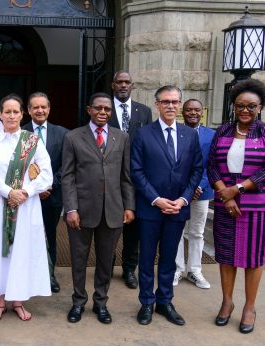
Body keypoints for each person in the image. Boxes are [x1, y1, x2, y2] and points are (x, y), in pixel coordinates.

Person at [207, 79, 265, 334]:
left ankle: (249, 307)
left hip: (258, 207)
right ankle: (227, 302)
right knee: (226, 256)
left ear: (260, 107)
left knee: (253, 258)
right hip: (225, 204)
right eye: (240, 105)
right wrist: (226, 196)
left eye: (251, 106)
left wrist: (237, 189)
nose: (245, 110)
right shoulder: (223, 131)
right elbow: (212, 166)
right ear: (234, 106)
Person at [0, 94, 53, 322]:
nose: (11, 115)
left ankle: (18, 300)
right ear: (0, 114)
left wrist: (25, 192)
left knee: (21, 251)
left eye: (15, 111)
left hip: (26, 207)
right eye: (6, 111)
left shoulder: (32, 141)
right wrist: (9, 192)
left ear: (22, 114)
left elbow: (46, 174)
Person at [131, 85, 203, 326]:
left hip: (178, 208)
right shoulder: (143, 134)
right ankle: (146, 303)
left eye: (174, 102)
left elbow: (196, 170)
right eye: (165, 102)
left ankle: (164, 301)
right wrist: (156, 199)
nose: (170, 106)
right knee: (147, 257)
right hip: (151, 208)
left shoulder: (190, 135)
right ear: (157, 105)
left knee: (169, 258)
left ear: (179, 105)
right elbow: (137, 171)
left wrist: (183, 199)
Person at [62, 92, 135, 324]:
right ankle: (78, 301)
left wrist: (129, 206)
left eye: (107, 109)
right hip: (81, 211)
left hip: (112, 210)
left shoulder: (121, 138)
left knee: (105, 260)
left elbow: (126, 177)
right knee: (78, 259)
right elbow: (68, 176)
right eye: (99, 108)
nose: (103, 112)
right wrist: (71, 208)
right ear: (89, 110)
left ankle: (101, 302)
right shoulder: (73, 137)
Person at [108, 70, 152, 289]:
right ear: (113, 85)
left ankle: (128, 269)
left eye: (127, 82)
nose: (123, 85)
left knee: (133, 227)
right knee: (109, 225)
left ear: (132, 86)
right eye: (119, 82)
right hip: (109, 176)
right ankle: (107, 266)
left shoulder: (144, 112)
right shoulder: (103, 108)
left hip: (135, 177)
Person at [21, 92, 68, 293]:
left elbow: (66, 166)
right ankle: (25, 276)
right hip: (28, 196)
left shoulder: (62, 133)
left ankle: (49, 275)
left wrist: (48, 186)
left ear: (49, 109)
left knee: (49, 236)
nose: (40, 110)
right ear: (29, 110)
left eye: (44, 107)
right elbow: (18, 168)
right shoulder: (21, 133)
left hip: (52, 195)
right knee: (26, 236)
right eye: (35, 107)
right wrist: (34, 189)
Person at [173, 99, 215, 289]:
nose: (193, 113)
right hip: (179, 192)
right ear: (183, 112)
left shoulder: (211, 135)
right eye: (189, 110)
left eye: (196, 110)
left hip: (201, 192)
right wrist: (186, 189)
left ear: (202, 113)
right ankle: (177, 269)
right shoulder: (176, 132)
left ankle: (194, 270)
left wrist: (199, 186)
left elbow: (213, 164)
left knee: (197, 232)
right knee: (177, 231)